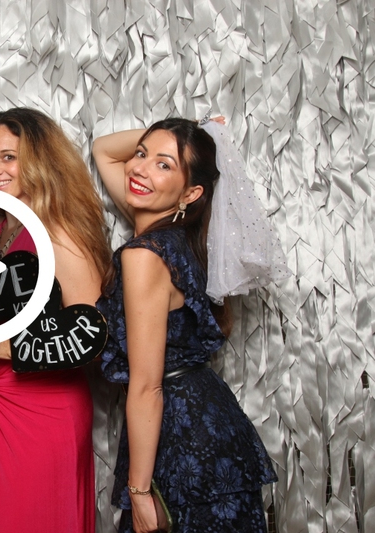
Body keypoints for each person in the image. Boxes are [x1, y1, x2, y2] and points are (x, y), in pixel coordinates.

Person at [92, 117, 284, 532]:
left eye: (164, 165)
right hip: (210, 424)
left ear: (191, 193)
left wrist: (139, 491)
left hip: (179, 435)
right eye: (141, 154)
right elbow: (103, 148)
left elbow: (147, 386)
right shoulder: (184, 238)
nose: (139, 168)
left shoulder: (145, 255)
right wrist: (198, 130)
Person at [0, 107, 112, 533]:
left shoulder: (60, 233)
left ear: (40, 160)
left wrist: (3, 346)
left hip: (45, 411)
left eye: (9, 157)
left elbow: (93, 338)